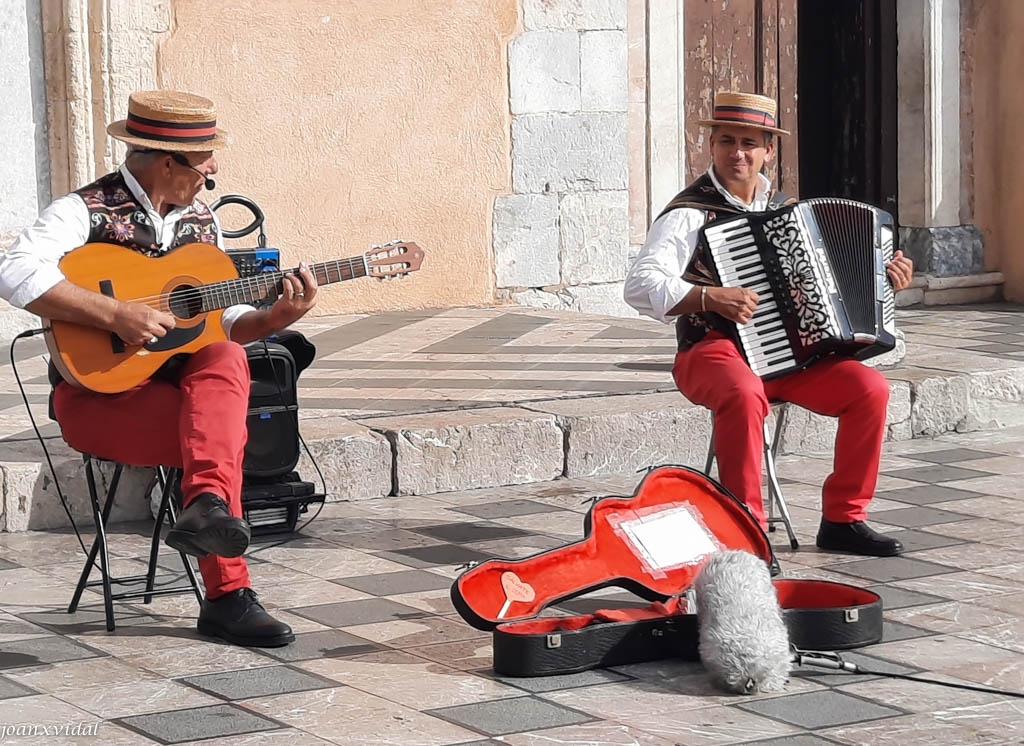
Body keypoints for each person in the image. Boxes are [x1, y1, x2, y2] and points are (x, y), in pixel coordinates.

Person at [0, 90, 315, 646]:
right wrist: (114, 313)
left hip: (178, 395)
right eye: (206, 160)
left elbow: (224, 320)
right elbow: (12, 271)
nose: (213, 170)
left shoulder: (201, 224)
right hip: (98, 400)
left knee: (223, 359)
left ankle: (206, 512)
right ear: (168, 161)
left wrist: (275, 317)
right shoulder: (84, 210)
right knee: (221, 432)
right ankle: (227, 595)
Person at [624, 91, 914, 558]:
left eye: (747, 143)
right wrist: (706, 295)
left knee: (870, 389)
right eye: (725, 141)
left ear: (767, 150)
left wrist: (886, 281)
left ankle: (844, 518)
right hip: (712, 350)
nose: (736, 153)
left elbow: (831, 291)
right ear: (711, 146)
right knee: (742, 392)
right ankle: (747, 534)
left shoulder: (787, 210)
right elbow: (639, 285)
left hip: (789, 359)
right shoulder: (689, 213)